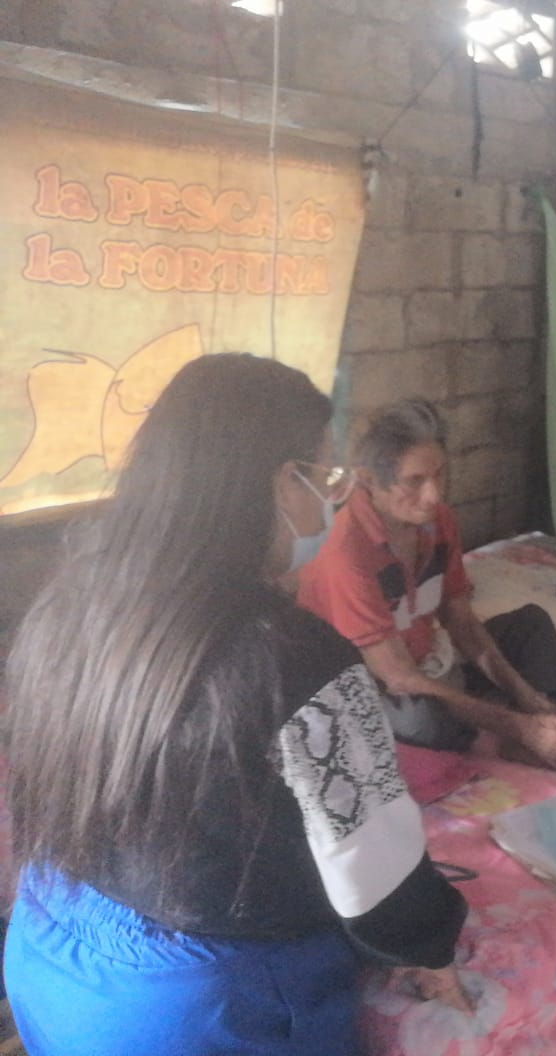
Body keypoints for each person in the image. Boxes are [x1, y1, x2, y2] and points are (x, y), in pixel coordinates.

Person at [3, 354, 471, 1055]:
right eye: (325, 478)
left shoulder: (68, 605)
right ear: (281, 483)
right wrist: (428, 945)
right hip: (200, 1008)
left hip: (51, 950)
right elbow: (378, 878)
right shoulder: (297, 660)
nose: (333, 501)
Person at [297, 397, 556, 773]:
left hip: (426, 659)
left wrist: (531, 701)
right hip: (375, 680)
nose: (434, 495)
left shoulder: (437, 523)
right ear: (369, 481)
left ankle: (529, 728)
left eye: (439, 474)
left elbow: (461, 621)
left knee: (532, 627)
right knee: (425, 722)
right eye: (415, 481)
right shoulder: (345, 551)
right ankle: (510, 727)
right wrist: (522, 726)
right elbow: (398, 676)